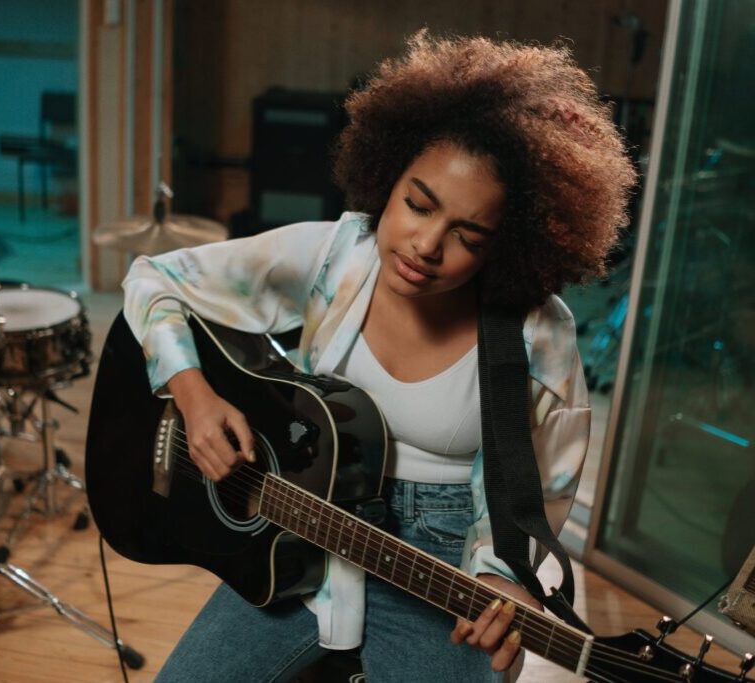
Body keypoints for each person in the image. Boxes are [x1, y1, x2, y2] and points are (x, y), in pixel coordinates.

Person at [121, 31, 636, 682]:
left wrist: (509, 581)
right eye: (418, 204)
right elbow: (152, 278)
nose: (426, 244)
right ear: (387, 176)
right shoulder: (337, 255)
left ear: (506, 247)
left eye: (467, 236)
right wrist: (193, 395)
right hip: (293, 538)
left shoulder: (536, 337)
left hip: (440, 580)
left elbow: (538, 501)